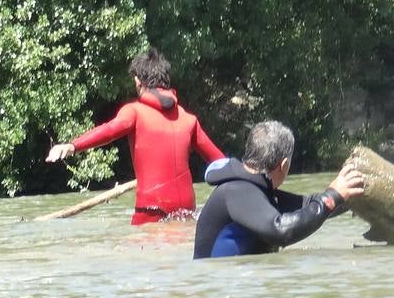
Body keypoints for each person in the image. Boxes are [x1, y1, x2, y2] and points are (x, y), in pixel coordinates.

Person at [46, 48, 224, 225]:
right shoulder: (188, 119)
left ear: (139, 82)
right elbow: (220, 162)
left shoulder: (134, 112)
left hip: (151, 209)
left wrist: (73, 146)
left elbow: (109, 131)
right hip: (187, 209)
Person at [193, 120, 365, 259]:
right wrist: (331, 198)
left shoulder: (257, 192)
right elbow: (281, 230)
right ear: (284, 165)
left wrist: (346, 196)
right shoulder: (237, 191)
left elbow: (306, 206)